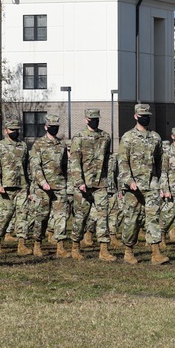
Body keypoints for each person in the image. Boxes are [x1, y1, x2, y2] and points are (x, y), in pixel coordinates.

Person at [117, 103, 170, 265]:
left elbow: (160, 163)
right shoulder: (127, 138)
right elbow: (122, 162)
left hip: (152, 184)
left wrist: (163, 185)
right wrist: (129, 181)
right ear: (135, 116)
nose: (145, 118)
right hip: (133, 187)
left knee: (153, 217)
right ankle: (128, 250)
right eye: (142, 116)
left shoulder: (156, 137)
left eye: (148, 116)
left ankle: (155, 252)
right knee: (132, 220)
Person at [68, 108, 114, 261]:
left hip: (100, 183)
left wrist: (108, 180)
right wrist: (79, 181)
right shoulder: (79, 138)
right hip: (84, 184)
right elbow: (74, 162)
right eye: (91, 118)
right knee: (81, 217)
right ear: (85, 119)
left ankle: (104, 249)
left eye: (97, 118)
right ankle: (75, 246)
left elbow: (108, 159)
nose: (94, 121)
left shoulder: (105, 137)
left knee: (103, 216)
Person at [27, 114, 68, 257]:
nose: (54, 129)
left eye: (56, 127)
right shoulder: (38, 145)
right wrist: (42, 182)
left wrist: (67, 182)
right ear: (46, 127)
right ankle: (37, 244)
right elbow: (35, 166)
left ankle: (60, 247)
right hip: (43, 188)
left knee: (61, 217)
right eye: (51, 127)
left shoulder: (61, 144)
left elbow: (65, 165)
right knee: (41, 217)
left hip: (60, 186)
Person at [0, 119, 30, 254]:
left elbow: (27, 166)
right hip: (5, 187)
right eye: (12, 130)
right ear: (6, 131)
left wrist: (29, 186)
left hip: (21, 186)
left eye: (16, 130)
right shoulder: (0, 146)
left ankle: (22, 244)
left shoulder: (23, 146)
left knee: (23, 215)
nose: (14, 132)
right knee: (4, 216)